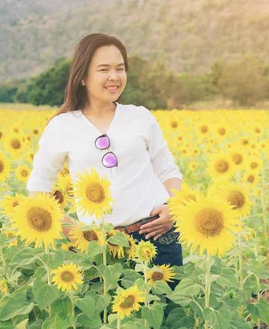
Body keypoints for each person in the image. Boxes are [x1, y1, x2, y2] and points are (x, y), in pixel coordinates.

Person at [26, 33, 183, 269]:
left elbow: (167, 170)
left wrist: (173, 206)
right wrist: (76, 233)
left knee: (169, 306)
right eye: (103, 69)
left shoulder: (140, 116)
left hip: (157, 237)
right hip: (101, 247)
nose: (114, 77)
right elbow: (39, 189)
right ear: (82, 77)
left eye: (120, 69)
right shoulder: (62, 126)